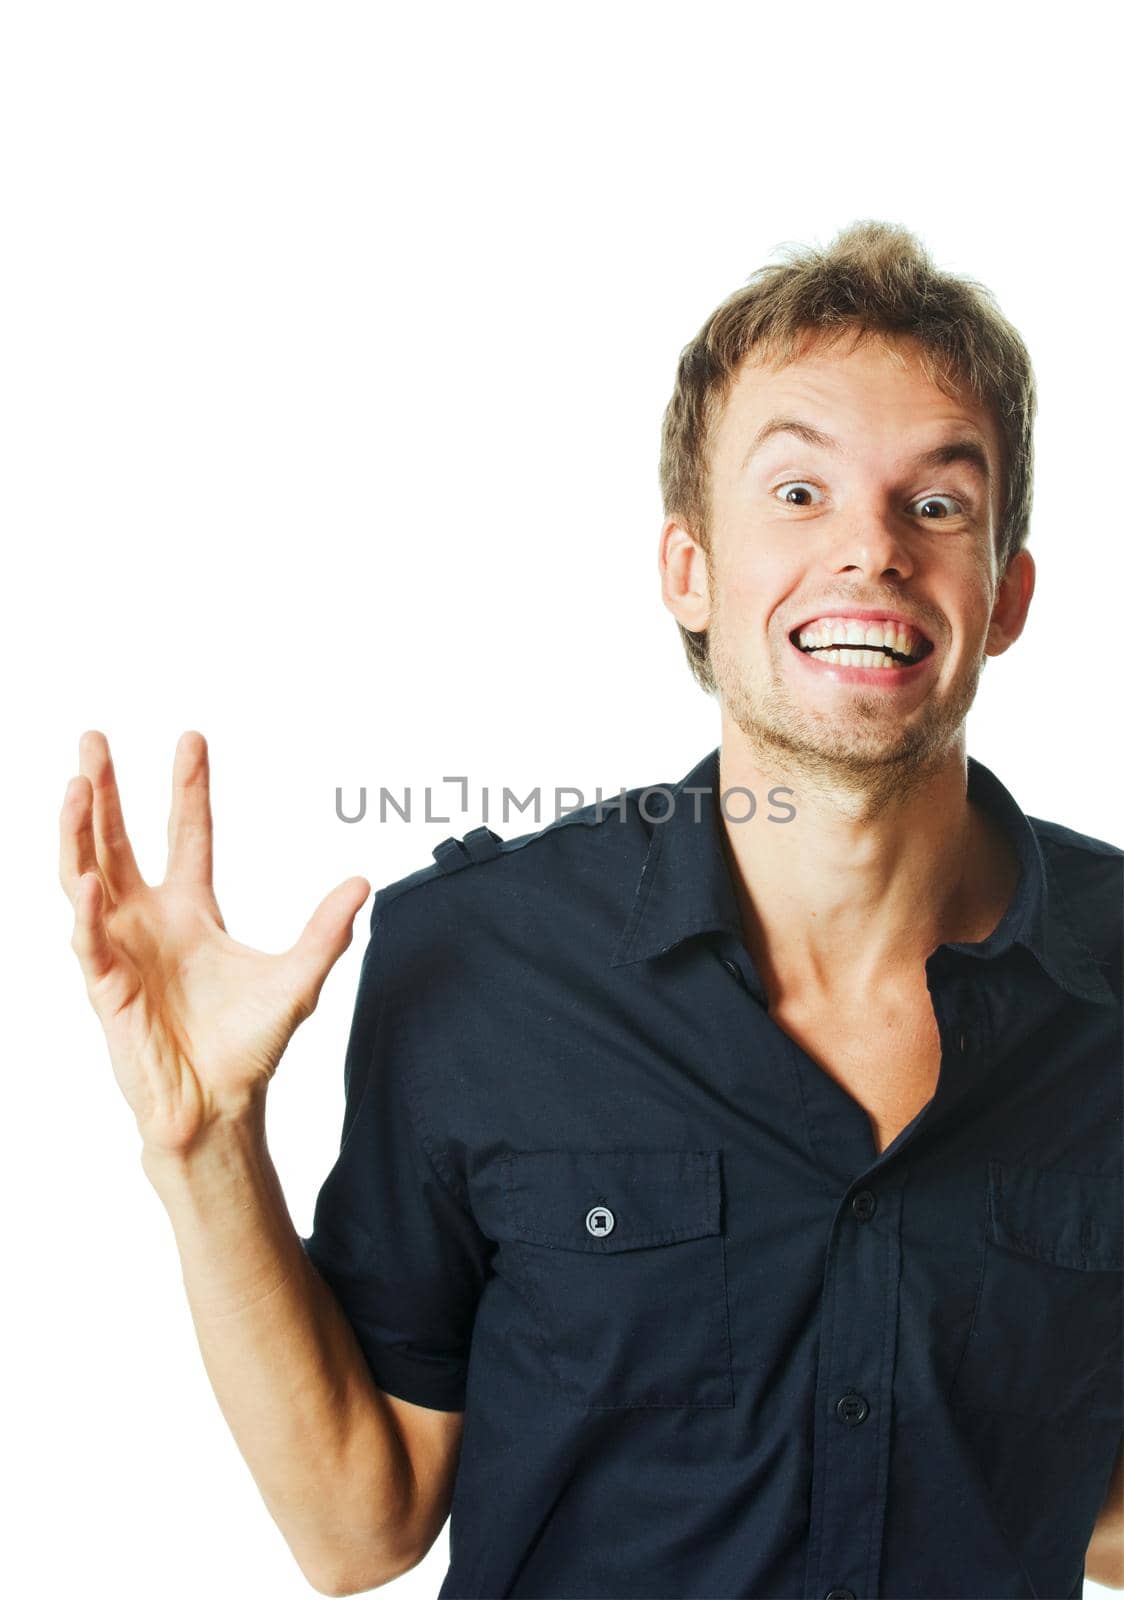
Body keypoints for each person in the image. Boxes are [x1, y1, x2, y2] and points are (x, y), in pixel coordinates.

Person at [60, 219, 1122, 1599]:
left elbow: (1079, 1504)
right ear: (688, 569)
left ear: (1006, 594)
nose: (871, 550)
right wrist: (201, 1143)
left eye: (939, 504)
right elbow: (359, 1523)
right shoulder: (480, 962)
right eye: (798, 493)